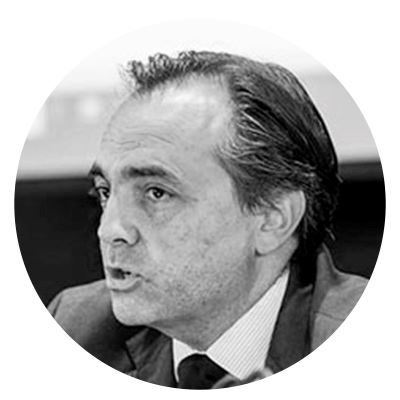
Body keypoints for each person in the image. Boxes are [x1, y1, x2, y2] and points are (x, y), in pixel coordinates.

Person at [48, 51, 367, 389]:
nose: (109, 230)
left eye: (156, 193)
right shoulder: (75, 328)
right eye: (105, 191)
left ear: (272, 219)